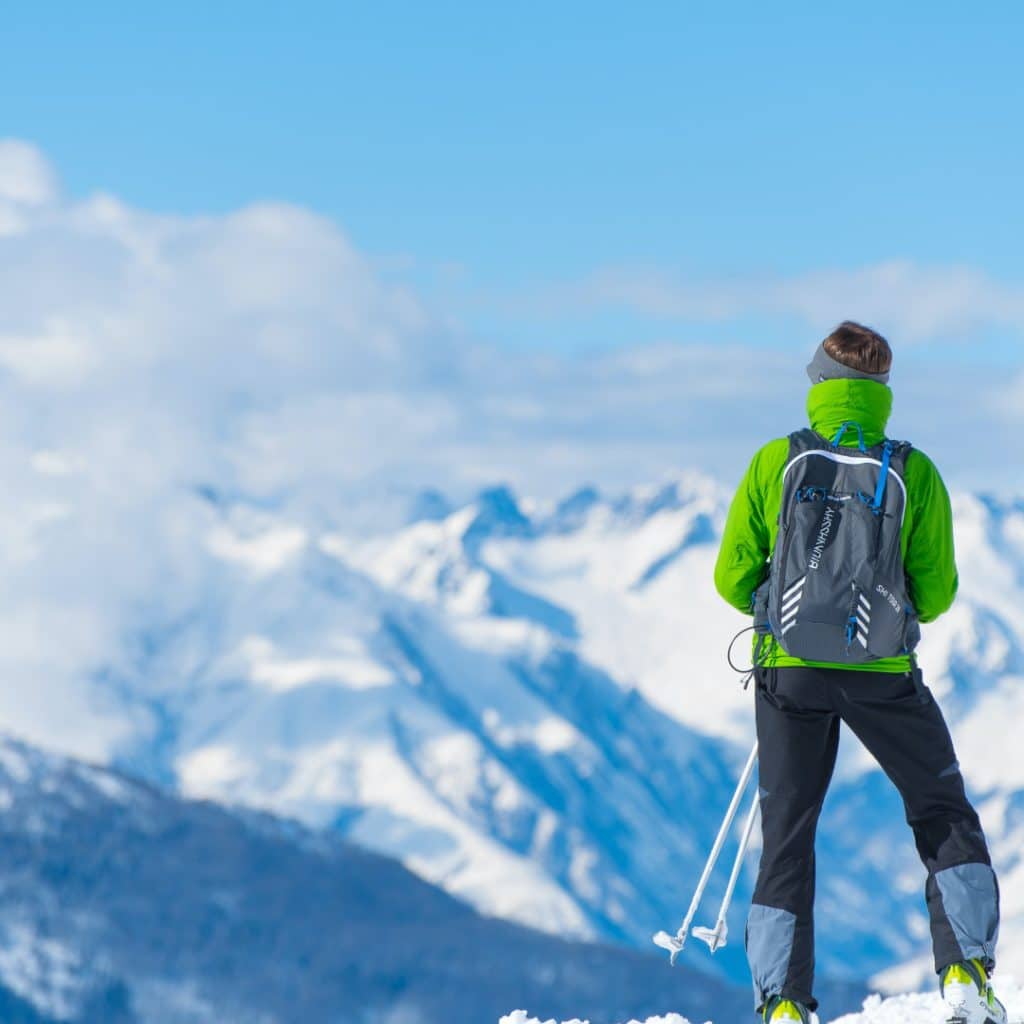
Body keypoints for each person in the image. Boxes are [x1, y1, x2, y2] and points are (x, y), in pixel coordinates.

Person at [713, 322, 1005, 1024]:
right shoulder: (913, 470)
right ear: (883, 391)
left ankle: (783, 1003)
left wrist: (778, 602)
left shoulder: (774, 463)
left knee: (788, 830)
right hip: (883, 670)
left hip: (791, 673)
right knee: (941, 810)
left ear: (817, 383)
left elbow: (730, 578)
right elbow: (936, 594)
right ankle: (964, 969)